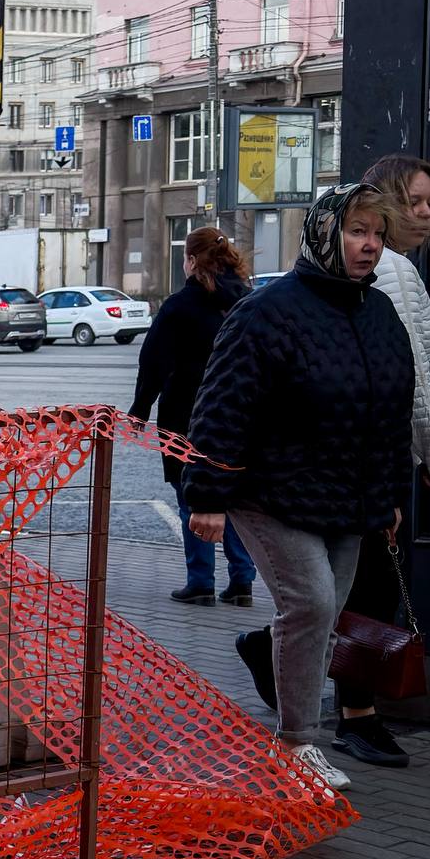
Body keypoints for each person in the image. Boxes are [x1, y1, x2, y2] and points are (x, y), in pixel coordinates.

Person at [183, 182, 415, 791]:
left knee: (324, 613)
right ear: (324, 232)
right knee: (310, 603)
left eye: (377, 235)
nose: (369, 246)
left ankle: (292, 727)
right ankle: (294, 747)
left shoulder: (381, 313)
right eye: (357, 231)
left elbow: (393, 412)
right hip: (270, 491)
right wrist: (206, 495)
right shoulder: (268, 310)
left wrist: (391, 494)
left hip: (345, 496)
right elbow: (223, 406)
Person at [328, 156, 430, 768]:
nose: (426, 212)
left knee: (350, 583)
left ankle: (277, 652)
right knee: (372, 586)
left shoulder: (395, 268)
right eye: (414, 200)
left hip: (362, 453)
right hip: (377, 460)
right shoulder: (396, 272)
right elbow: (408, 380)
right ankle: (356, 715)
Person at [131, 226, 258, 605]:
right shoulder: (246, 300)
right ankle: (242, 582)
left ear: (189, 260)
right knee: (232, 496)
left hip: (186, 413)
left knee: (191, 494)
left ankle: (200, 581)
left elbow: (153, 361)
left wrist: (141, 408)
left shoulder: (178, 306)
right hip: (239, 416)